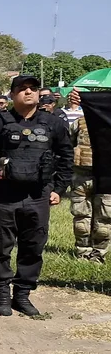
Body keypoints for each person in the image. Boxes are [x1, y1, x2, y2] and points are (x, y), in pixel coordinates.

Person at [0, 75, 74, 317]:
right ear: (12, 94)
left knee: (33, 246)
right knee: (0, 245)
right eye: (22, 89)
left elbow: (66, 157)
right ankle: (2, 293)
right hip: (4, 195)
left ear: (39, 94)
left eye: (33, 89)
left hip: (38, 195)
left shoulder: (53, 124)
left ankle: (22, 294)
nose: (28, 93)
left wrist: (59, 189)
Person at [65, 89, 109, 263]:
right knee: (100, 219)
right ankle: (94, 254)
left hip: (87, 176)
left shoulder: (79, 123)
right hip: (92, 176)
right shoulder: (80, 123)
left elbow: (67, 145)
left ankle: (86, 253)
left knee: (88, 218)